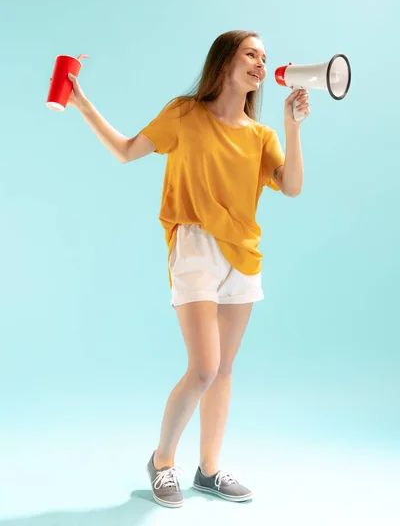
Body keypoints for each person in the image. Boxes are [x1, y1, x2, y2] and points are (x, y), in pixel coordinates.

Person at [61, 30, 310, 508]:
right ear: (224, 62)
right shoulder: (185, 113)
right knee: (203, 368)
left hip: (243, 254)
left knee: (224, 370)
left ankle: (209, 471)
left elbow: (292, 186)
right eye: (251, 54)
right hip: (194, 245)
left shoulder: (261, 134)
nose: (261, 63)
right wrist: (83, 105)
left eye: (265, 57)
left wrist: (292, 124)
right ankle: (162, 461)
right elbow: (126, 150)